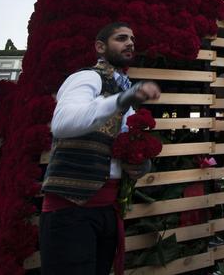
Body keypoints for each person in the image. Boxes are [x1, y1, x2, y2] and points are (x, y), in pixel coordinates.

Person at [40, 22, 161, 275]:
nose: (130, 43)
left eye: (132, 39)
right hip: (71, 211)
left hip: (108, 208)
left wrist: (140, 163)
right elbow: (62, 124)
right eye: (121, 38)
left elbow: (120, 146)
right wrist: (123, 99)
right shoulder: (86, 77)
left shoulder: (124, 89)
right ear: (100, 47)